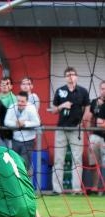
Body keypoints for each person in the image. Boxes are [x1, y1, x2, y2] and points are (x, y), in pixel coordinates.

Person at [50, 66, 90, 195]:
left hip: (76, 129)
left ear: (76, 76)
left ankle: (76, 189)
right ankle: (57, 189)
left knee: (77, 160)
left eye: (72, 74)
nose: (70, 76)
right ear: (65, 77)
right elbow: (53, 110)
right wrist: (63, 105)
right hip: (61, 128)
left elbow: (87, 109)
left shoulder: (83, 91)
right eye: (68, 75)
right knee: (58, 160)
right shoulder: (60, 90)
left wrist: (83, 122)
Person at [4, 91, 41, 175]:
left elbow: (37, 122)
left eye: (22, 101)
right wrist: (17, 124)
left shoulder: (31, 108)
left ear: (27, 101)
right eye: (18, 101)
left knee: (24, 165)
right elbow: (6, 122)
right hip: (15, 140)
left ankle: (25, 186)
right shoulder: (12, 106)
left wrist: (24, 123)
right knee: (14, 164)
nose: (20, 103)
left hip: (28, 140)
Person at [85, 80, 105, 193]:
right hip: (96, 136)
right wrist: (88, 135)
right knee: (94, 163)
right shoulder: (94, 102)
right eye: (102, 88)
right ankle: (95, 187)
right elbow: (89, 118)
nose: (104, 91)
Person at [0, 77, 16, 148]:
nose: (4, 86)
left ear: (11, 86)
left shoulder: (13, 98)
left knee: (7, 151)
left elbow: (12, 114)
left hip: (7, 130)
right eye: (2, 84)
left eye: (7, 84)